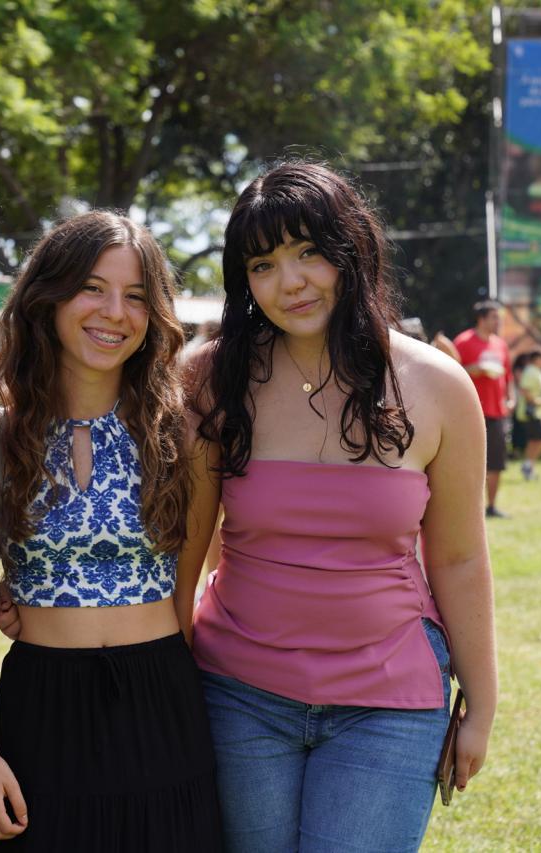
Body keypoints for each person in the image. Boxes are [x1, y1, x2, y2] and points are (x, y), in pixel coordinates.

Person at [184, 163, 497, 852]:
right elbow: (187, 546)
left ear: (350, 248)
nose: (290, 281)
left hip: (389, 703)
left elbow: (460, 556)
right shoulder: (209, 380)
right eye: (263, 264)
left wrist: (482, 704)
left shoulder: (439, 386)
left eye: (308, 252)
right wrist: (166, 689)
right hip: (236, 693)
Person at [0, 211, 223, 851]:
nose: (114, 312)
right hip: (38, 708)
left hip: (163, 708)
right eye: (93, 288)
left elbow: (189, 591)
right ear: (49, 298)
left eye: (135, 296)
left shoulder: (184, 436)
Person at [454, 300, 513, 518]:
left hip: (497, 411)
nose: (498, 321)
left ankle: (492, 506)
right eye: (494, 317)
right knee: (467, 464)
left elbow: (508, 376)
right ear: (482, 318)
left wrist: (511, 398)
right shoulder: (463, 342)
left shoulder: (500, 344)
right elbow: (451, 371)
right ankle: (468, 509)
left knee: (496, 463)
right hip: (470, 411)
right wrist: (474, 369)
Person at [518, 349, 541, 481]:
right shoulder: (531, 372)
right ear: (537, 359)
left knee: (537, 439)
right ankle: (528, 465)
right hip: (532, 413)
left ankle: (529, 465)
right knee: (540, 438)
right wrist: (536, 401)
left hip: (538, 413)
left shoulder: (536, 372)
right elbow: (525, 390)